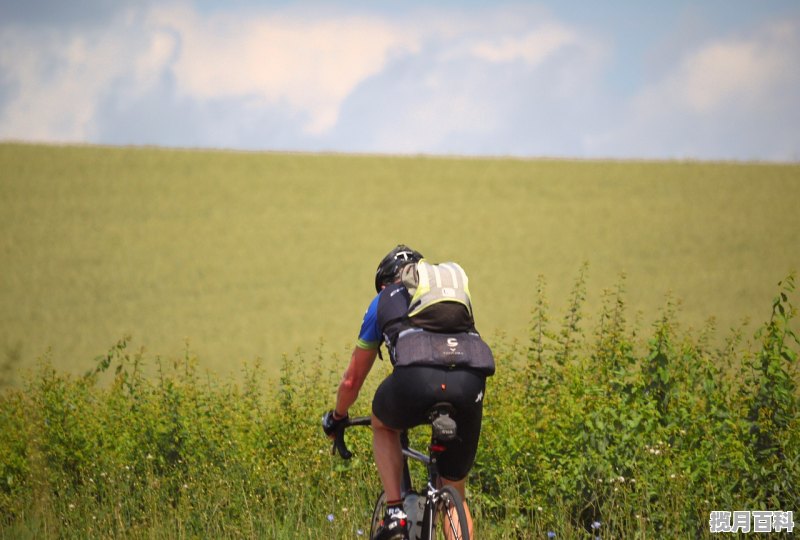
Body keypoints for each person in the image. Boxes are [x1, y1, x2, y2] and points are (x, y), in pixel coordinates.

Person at [322, 245, 493, 540]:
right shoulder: (448, 296)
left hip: (417, 379)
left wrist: (337, 417)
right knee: (454, 491)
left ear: (385, 282)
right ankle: (450, 504)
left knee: (383, 423)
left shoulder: (382, 301)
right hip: (470, 380)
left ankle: (396, 512)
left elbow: (352, 380)